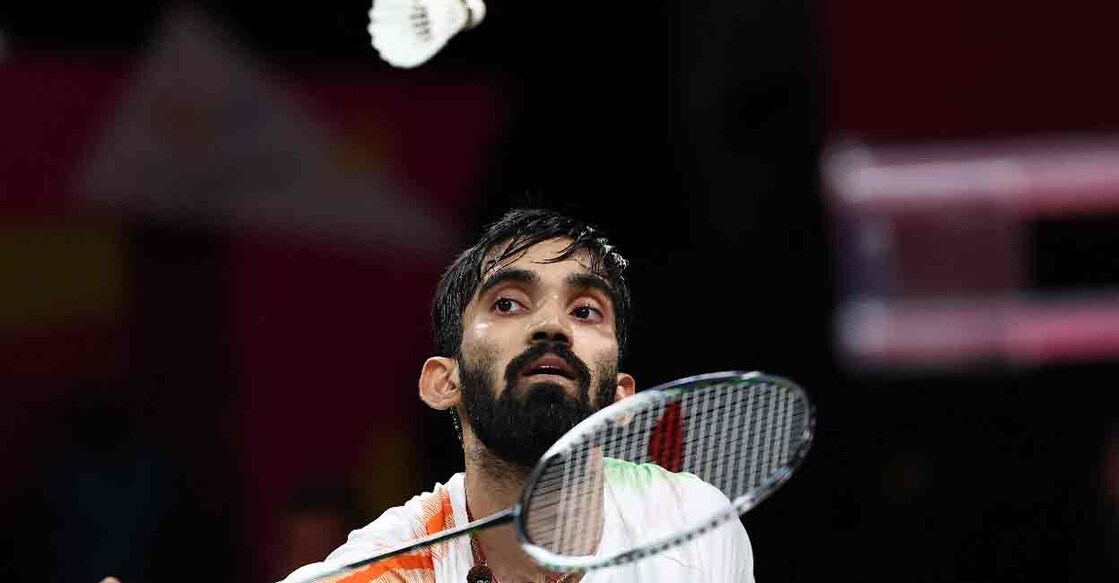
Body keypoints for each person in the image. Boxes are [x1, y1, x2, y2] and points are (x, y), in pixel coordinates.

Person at [279, 208, 754, 583]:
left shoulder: (694, 531)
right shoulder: (383, 573)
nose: (552, 325)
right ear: (445, 382)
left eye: (586, 311)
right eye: (507, 304)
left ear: (620, 399)